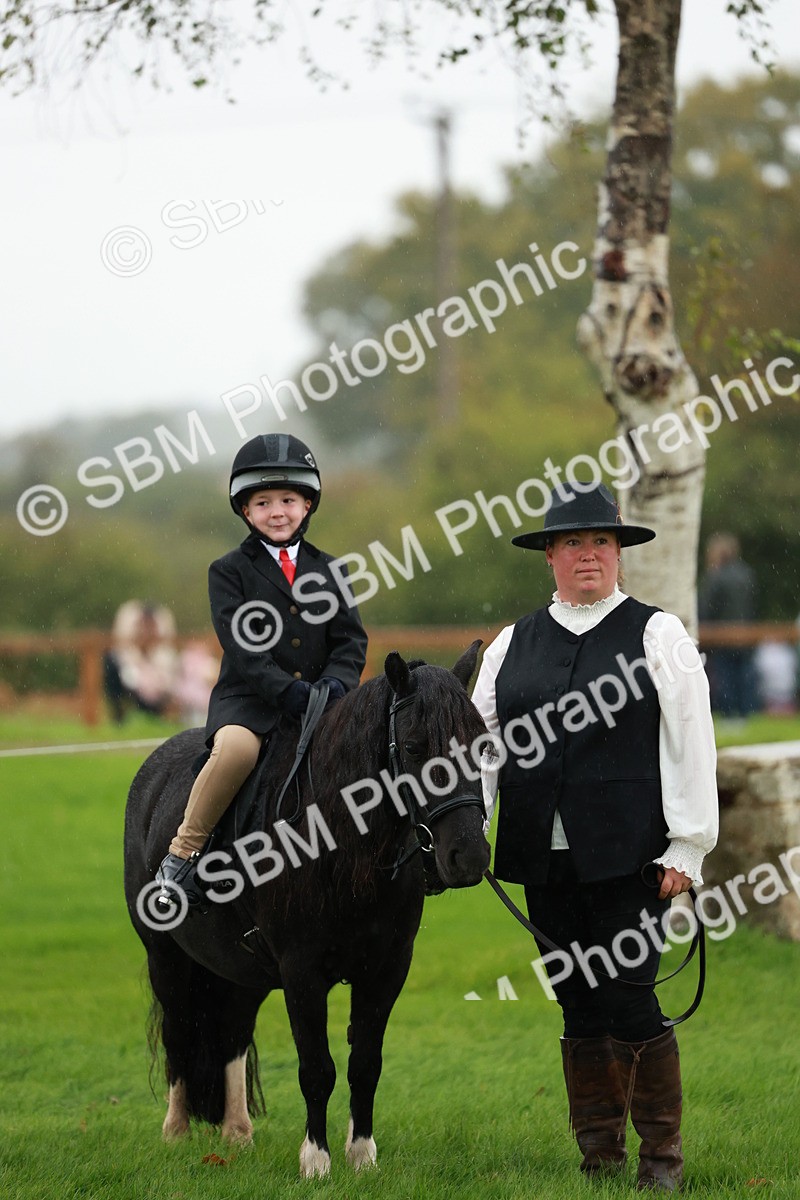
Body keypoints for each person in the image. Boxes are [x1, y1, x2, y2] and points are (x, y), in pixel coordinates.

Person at [472, 479, 718, 1192]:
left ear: (619, 552)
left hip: (632, 856)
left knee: (631, 998)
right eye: (574, 542)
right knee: (576, 1000)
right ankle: (599, 1153)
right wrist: (466, 829)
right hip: (537, 853)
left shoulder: (657, 633)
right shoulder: (512, 642)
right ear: (549, 554)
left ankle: (662, 1159)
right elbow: (483, 748)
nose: (589, 555)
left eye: (601, 541)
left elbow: (690, 740)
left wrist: (688, 846)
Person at [156, 433, 368, 904]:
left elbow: (350, 640)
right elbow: (243, 648)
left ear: (307, 505)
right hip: (250, 702)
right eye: (264, 502)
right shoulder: (229, 571)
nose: (278, 511)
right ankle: (183, 853)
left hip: (321, 700)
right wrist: (284, 692)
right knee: (234, 752)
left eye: (288, 500)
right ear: (246, 511)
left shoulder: (331, 570)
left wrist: (336, 682)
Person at [698, 532, 758, 719]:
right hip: (746, 635)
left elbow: (706, 608)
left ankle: (729, 715)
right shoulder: (747, 574)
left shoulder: (716, 577)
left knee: (726, 679)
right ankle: (747, 714)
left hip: (721, 636)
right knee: (745, 677)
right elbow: (754, 606)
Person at [104, 600, 178, 724]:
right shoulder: (123, 655)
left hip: (154, 684)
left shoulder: (164, 656)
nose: (146, 632)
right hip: (134, 678)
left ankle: (151, 718)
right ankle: (124, 718)